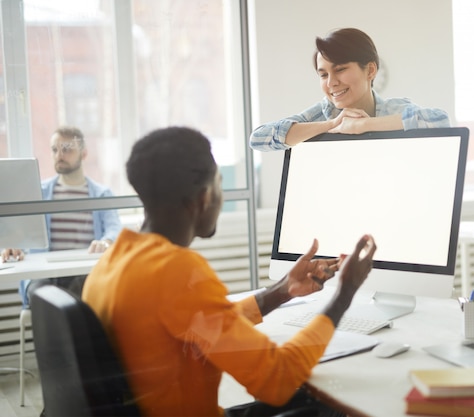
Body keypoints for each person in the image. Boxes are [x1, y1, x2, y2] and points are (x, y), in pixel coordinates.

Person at [82, 126, 376, 417]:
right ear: (204, 197)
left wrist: (283, 290)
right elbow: (278, 380)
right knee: (336, 404)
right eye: (220, 184)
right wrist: (344, 294)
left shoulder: (114, 261)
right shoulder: (176, 270)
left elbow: (200, 325)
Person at [249, 27, 450, 151]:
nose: (331, 83)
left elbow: (440, 121)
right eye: (324, 75)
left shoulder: (394, 110)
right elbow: (258, 138)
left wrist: (365, 125)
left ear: (370, 70)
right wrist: (333, 124)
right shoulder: (320, 116)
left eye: (340, 69)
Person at [1, 125, 122, 302]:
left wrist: (106, 241)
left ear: (84, 154)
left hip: (82, 272)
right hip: (43, 274)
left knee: (87, 290)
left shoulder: (101, 194)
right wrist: (14, 245)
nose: (59, 155)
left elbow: (114, 227)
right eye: (54, 149)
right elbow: (20, 230)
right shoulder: (38, 192)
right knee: (42, 295)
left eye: (67, 149)